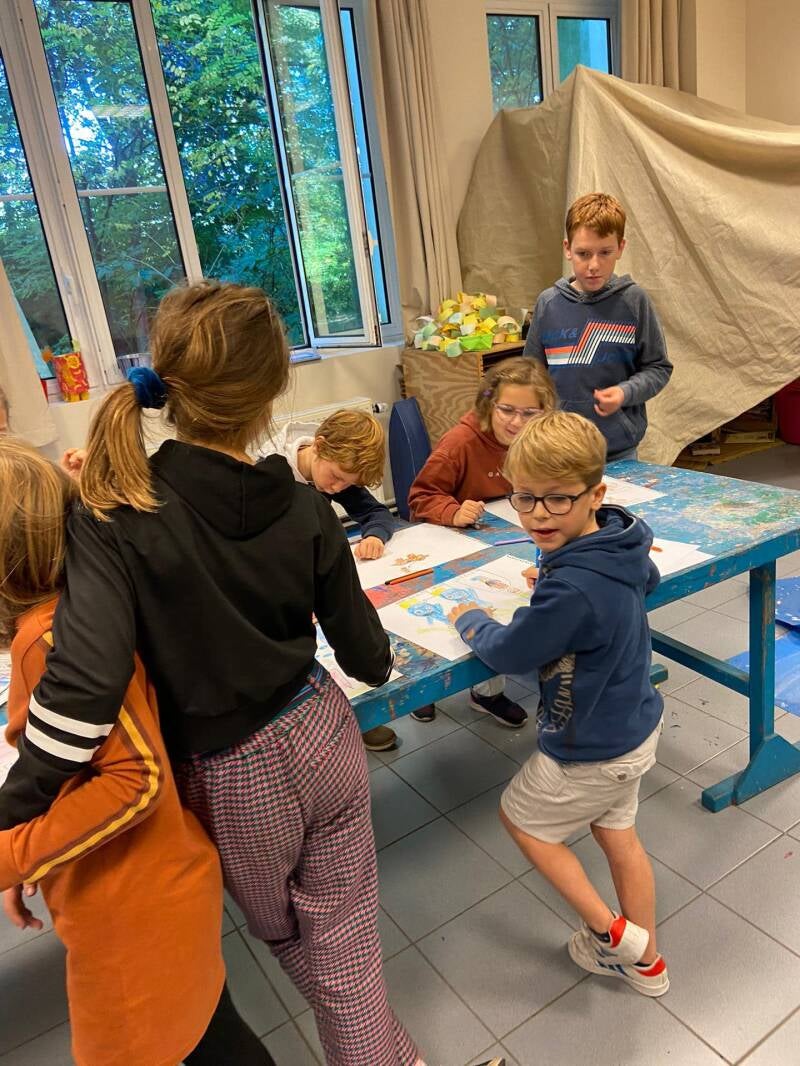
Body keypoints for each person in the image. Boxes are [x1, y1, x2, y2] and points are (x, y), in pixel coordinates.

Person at [0, 281, 422, 1066]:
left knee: (297, 940)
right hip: (322, 732)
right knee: (345, 936)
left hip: (230, 773)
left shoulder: (112, 517)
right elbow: (366, 655)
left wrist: (10, 812)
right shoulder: (304, 507)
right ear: (272, 392)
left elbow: (82, 698)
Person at [0, 439, 273, 1066]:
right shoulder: (76, 614)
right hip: (146, 888)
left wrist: (15, 853)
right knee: (211, 1035)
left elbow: (135, 778)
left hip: (132, 906)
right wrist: (26, 848)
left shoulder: (50, 638)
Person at [447, 411, 669, 997]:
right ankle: (648, 964)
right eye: (524, 498)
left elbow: (513, 652)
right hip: (634, 725)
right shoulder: (618, 539)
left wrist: (470, 620)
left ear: (595, 494)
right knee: (619, 838)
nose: (538, 515)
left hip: (591, 745)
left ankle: (614, 936)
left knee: (523, 822)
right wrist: (556, 571)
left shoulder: (573, 587)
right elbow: (644, 579)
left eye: (557, 500)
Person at [407, 356, 556, 727]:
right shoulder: (460, 442)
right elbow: (420, 497)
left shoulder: (537, 440)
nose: (517, 422)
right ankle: (424, 691)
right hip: (451, 545)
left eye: (530, 413)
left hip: (503, 541)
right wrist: (452, 511)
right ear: (489, 404)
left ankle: (486, 693)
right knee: (440, 617)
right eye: (507, 410)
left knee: (502, 607)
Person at [259, 408, 398, 752]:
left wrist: (375, 534)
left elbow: (376, 512)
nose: (337, 488)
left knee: (343, 637)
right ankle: (316, 731)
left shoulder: (335, 469)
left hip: (314, 580)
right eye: (336, 478)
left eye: (346, 484)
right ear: (318, 446)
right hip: (276, 585)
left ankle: (358, 717)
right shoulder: (269, 472)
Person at [524, 192, 673, 462]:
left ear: (621, 248)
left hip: (619, 452)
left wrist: (625, 392)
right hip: (558, 450)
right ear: (567, 249)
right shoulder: (548, 304)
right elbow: (531, 374)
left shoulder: (634, 301)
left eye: (605, 252)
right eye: (583, 254)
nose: (594, 265)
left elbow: (658, 368)